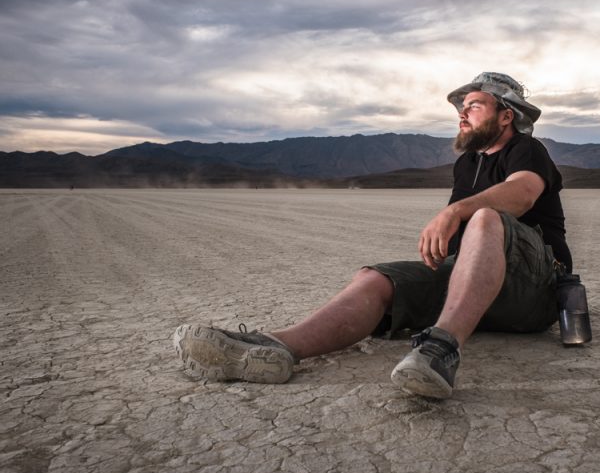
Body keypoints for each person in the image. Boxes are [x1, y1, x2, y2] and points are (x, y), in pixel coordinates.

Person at [173, 72, 571, 399]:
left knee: (486, 217)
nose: (462, 115)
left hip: (534, 290)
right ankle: (276, 348)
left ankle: (439, 352)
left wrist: (455, 211)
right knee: (377, 279)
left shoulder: (526, 149)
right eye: (461, 108)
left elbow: (522, 194)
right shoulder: (467, 165)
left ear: (506, 116)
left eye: (474, 106)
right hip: (479, 291)